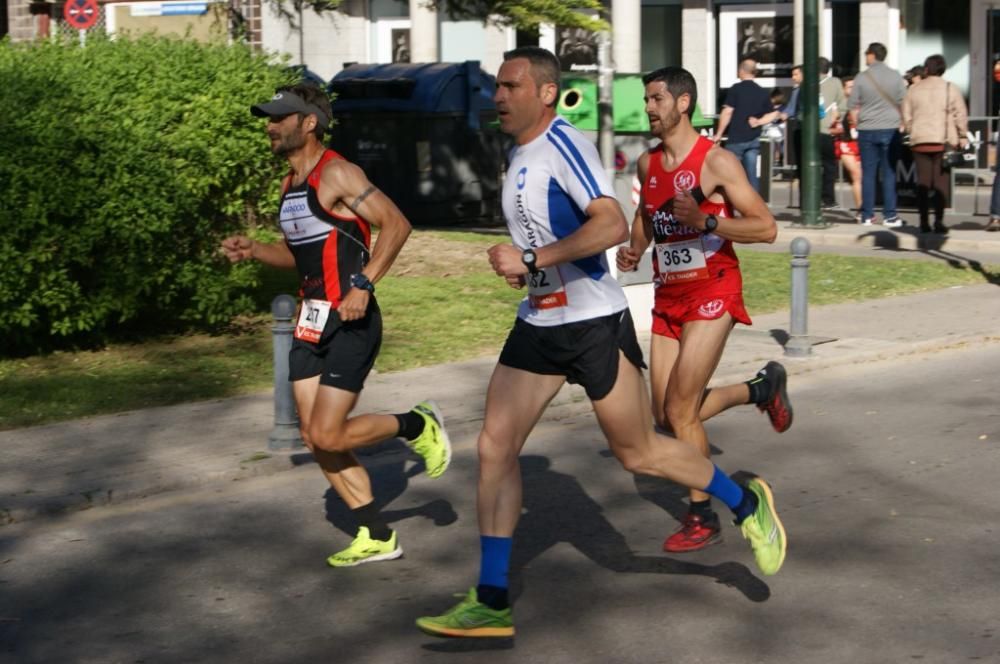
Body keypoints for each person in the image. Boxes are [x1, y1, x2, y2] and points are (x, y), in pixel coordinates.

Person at [415, 50, 787, 639]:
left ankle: (743, 504)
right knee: (494, 447)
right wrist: (528, 270)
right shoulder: (519, 154)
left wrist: (536, 257)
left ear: (544, 92)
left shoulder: (567, 144)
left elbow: (609, 224)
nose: (499, 96)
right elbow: (619, 227)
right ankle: (490, 599)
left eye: (511, 86)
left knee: (641, 450)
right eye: (498, 86)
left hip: (592, 323)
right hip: (540, 321)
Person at [221, 83, 451, 568]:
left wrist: (363, 284)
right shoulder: (289, 186)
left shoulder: (339, 173)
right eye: (269, 117)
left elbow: (397, 224)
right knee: (313, 435)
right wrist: (256, 251)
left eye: (281, 117)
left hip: (350, 317)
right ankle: (377, 534)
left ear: (309, 123)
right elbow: (300, 256)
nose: (270, 125)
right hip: (310, 318)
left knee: (328, 434)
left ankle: (417, 424)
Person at [615, 65, 793, 553]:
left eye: (656, 99)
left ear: (683, 102)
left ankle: (702, 515)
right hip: (668, 294)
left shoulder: (715, 162)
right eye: (646, 100)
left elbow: (766, 227)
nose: (649, 108)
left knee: (679, 409)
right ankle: (760, 387)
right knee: (666, 416)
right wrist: (635, 250)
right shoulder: (648, 165)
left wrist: (709, 218)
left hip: (713, 288)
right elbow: (645, 219)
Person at [902, 54, 969, 234]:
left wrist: (911, 129)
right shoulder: (950, 88)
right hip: (943, 141)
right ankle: (939, 221)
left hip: (920, 140)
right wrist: (962, 135)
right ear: (943, 69)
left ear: (926, 69)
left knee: (922, 182)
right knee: (941, 183)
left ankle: (923, 222)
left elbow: (906, 114)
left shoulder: (914, 89)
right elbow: (960, 114)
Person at [848, 42, 906, 227]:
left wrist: (856, 123)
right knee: (889, 173)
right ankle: (890, 215)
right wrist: (903, 122)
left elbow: (852, 105)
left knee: (868, 174)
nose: (865, 57)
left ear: (872, 55)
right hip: (890, 128)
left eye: (866, 54)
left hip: (867, 129)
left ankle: (867, 215)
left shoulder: (862, 77)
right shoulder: (895, 76)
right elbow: (903, 101)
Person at [714, 58, 781, 192]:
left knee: (730, 176)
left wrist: (719, 134)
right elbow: (774, 114)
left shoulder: (735, 89)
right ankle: (754, 207)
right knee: (751, 176)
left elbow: (727, 112)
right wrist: (758, 122)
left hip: (736, 140)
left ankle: (729, 205)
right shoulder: (762, 92)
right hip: (753, 139)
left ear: (741, 71)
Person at [832, 76, 863, 220]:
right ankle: (861, 210)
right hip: (845, 143)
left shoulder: (862, 103)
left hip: (861, 143)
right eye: (849, 87)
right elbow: (830, 125)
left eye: (854, 86)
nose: (852, 89)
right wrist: (838, 126)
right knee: (856, 174)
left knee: (862, 177)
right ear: (843, 89)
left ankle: (864, 209)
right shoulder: (837, 105)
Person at [819, 57, 847, 209]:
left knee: (812, 166)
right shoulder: (835, 82)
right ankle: (828, 198)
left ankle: (811, 198)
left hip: (810, 132)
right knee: (829, 166)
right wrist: (838, 120)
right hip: (827, 130)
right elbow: (842, 104)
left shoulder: (807, 82)